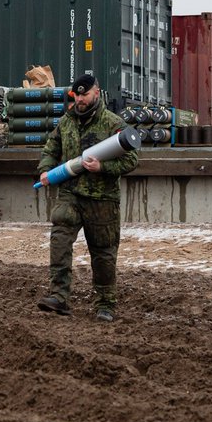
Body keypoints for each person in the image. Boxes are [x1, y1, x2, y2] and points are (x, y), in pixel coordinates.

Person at [35, 73, 138, 322]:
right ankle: (59, 297)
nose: (80, 99)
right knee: (59, 241)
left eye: (84, 94)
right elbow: (51, 148)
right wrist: (46, 170)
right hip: (70, 194)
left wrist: (102, 168)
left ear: (96, 92)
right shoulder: (66, 122)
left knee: (103, 253)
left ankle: (105, 304)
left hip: (102, 199)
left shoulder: (113, 124)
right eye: (77, 95)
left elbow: (131, 159)